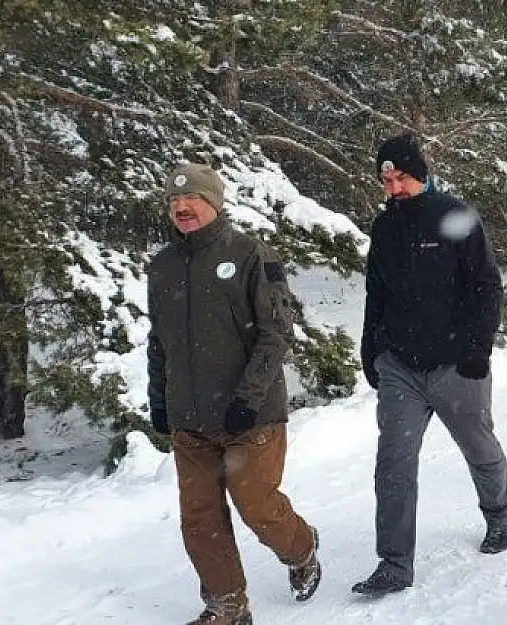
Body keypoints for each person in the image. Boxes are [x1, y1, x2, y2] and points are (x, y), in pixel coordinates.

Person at [147, 164, 321, 625]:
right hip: (191, 419)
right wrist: (160, 401)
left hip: (251, 417)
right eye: (173, 201)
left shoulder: (250, 255)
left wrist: (248, 397)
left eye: (193, 199)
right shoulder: (162, 266)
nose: (182, 208)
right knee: (199, 517)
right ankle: (227, 605)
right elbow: (158, 341)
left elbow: (276, 332)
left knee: (257, 507)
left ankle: (302, 549)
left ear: (214, 203)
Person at [354, 134, 507, 597]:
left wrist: (478, 349)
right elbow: (376, 294)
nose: (394, 186)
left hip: (456, 363)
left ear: (419, 173)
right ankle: (394, 564)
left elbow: (486, 285)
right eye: (386, 179)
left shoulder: (454, 216)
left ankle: (499, 515)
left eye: (401, 177)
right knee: (394, 464)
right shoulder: (384, 228)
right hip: (400, 366)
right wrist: (372, 351)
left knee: (478, 446)